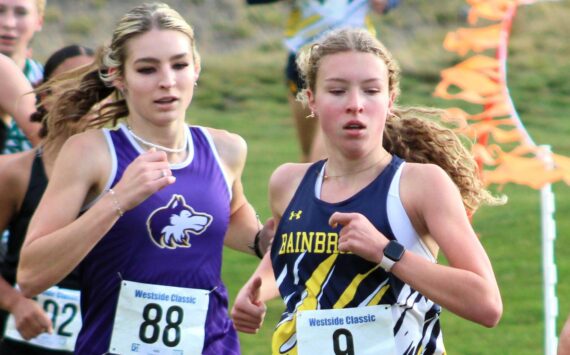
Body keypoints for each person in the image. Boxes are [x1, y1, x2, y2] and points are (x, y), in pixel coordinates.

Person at [16, 3, 270, 355]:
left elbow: (232, 212)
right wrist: (117, 201)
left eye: (179, 65)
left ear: (196, 68)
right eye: (147, 69)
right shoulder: (91, 153)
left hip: (213, 345)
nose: (167, 81)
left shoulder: (225, 149)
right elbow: (31, 275)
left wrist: (261, 240)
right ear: (119, 76)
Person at [231, 28, 504, 354]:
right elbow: (291, 256)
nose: (355, 105)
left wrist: (386, 253)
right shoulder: (287, 183)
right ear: (312, 101)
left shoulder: (421, 185)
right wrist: (258, 288)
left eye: (371, 91)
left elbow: (486, 304)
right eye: (337, 91)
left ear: (389, 101)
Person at [0, 44, 94, 354]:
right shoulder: (16, 173)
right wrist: (15, 303)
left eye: (94, 86)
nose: (81, 97)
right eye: (67, 86)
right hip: (19, 340)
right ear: (42, 94)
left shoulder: (134, 174)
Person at [246, 0, 400, 162]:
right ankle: (306, 185)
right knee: (308, 152)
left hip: (356, 57)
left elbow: (386, 4)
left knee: (322, 154)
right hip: (303, 57)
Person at [0, 0, 45, 153]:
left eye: (21, 12)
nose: (8, 23)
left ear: (39, 21)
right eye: (0, 10)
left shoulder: (51, 83)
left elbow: (54, 151)